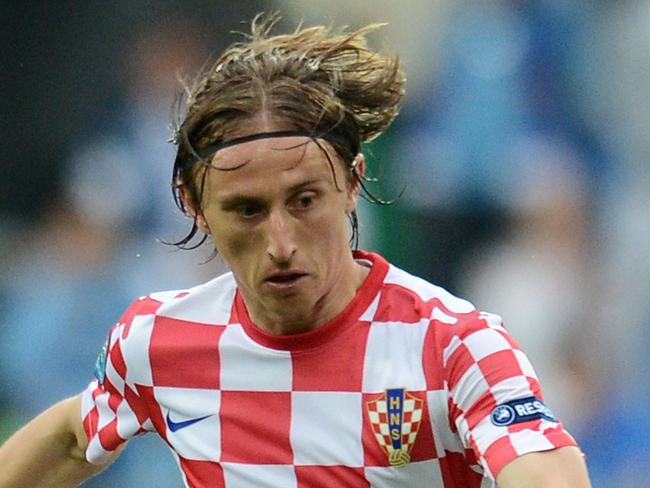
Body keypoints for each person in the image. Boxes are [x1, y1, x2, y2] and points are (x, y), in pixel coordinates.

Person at [0, 14, 591, 488]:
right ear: (193, 205)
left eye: (304, 200)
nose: (281, 244)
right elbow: (71, 439)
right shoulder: (156, 342)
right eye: (247, 210)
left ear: (353, 181)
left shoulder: (454, 344)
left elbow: (543, 468)